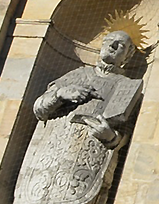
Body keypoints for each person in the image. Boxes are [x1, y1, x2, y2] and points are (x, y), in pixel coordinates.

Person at [16, 31, 143, 204]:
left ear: (128, 55)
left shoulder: (127, 86)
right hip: (56, 149)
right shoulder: (78, 74)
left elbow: (129, 133)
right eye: (109, 41)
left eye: (120, 45)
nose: (112, 46)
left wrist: (111, 138)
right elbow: (39, 109)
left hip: (91, 157)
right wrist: (59, 94)